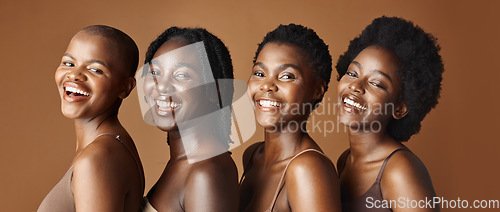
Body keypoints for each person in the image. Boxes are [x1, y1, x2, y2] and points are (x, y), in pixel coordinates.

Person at [335, 16, 444, 211]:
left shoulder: (400, 170)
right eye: (352, 73)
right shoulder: (345, 161)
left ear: (400, 108)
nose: (355, 86)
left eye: (376, 83)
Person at [38, 25, 144, 211]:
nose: (74, 74)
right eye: (68, 63)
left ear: (125, 87)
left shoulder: (97, 158)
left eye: (96, 70)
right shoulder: (108, 147)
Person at [239, 24, 341, 212]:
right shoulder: (252, 155)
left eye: (286, 76)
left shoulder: (308, 169)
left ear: (317, 90)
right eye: (259, 73)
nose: (267, 86)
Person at [139, 27, 238, 212]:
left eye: (182, 75)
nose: (162, 87)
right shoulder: (185, 162)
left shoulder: (206, 174)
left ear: (214, 91)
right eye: (155, 72)